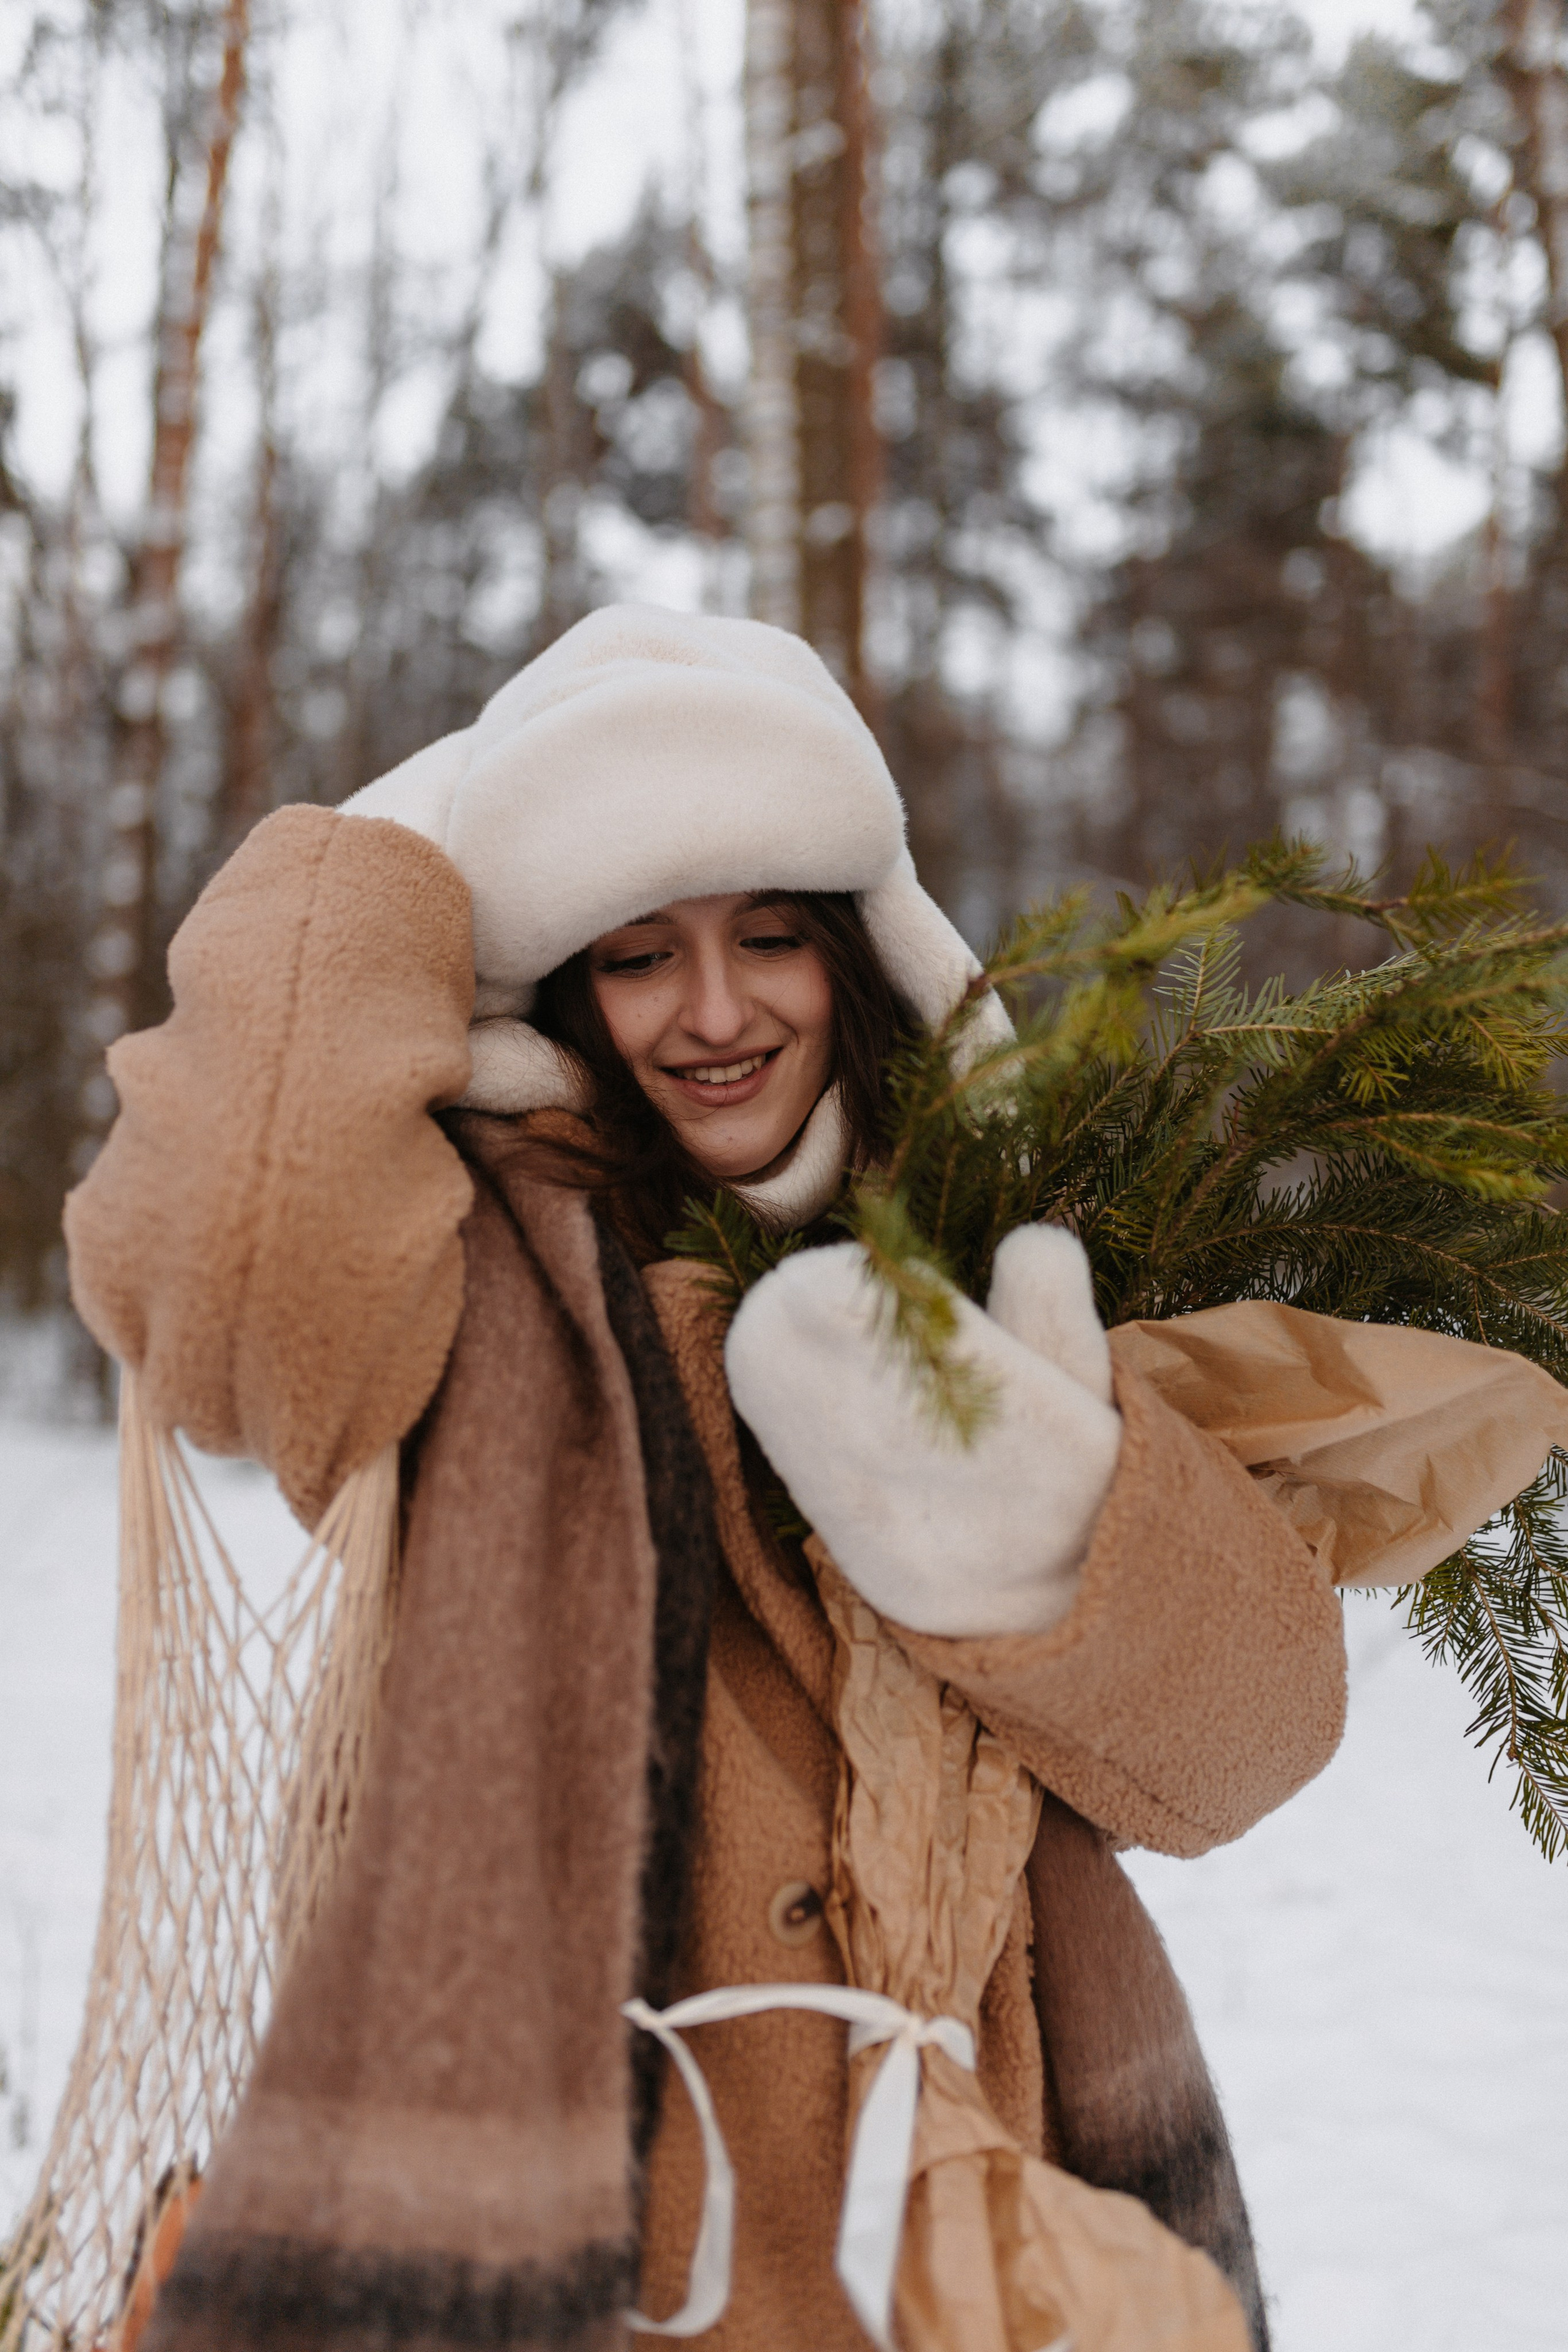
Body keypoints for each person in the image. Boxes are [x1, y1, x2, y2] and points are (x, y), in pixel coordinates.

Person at [63, 606, 1557, 2352]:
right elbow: (223, 1295)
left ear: (858, 949)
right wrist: (371, 868)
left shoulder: (1007, 1259)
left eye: (770, 935)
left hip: (980, 2229)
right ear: (561, 983)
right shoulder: (466, 1265)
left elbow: (1248, 1749)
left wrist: (1038, 1546)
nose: (716, 1012)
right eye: (636, 952)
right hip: (567, 2240)